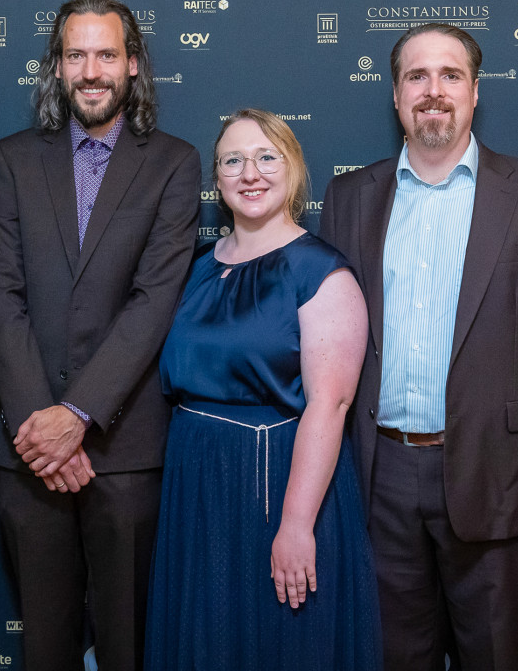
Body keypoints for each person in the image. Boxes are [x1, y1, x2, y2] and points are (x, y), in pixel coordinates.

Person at [319, 22, 518, 670]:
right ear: (395, 96)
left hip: (499, 474)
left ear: (475, 92)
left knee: (497, 657)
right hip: (378, 477)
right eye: (417, 76)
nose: (433, 90)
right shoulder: (349, 198)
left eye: (450, 75)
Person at [0, 0, 199, 670]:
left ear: (134, 65)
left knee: (126, 644)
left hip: (124, 447)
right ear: (57, 67)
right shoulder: (13, 159)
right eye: (76, 54)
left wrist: (77, 414)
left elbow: (153, 300)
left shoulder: (173, 162)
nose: (92, 69)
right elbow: (0, 295)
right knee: (44, 643)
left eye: (107, 53)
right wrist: (41, 427)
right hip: (28, 453)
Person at [145, 110, 380, 670]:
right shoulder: (198, 268)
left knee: (282, 643)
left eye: (266, 157)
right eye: (233, 160)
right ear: (217, 179)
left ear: (293, 169)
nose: (250, 172)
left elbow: (331, 404)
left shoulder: (321, 271)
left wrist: (296, 525)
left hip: (277, 483)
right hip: (197, 484)